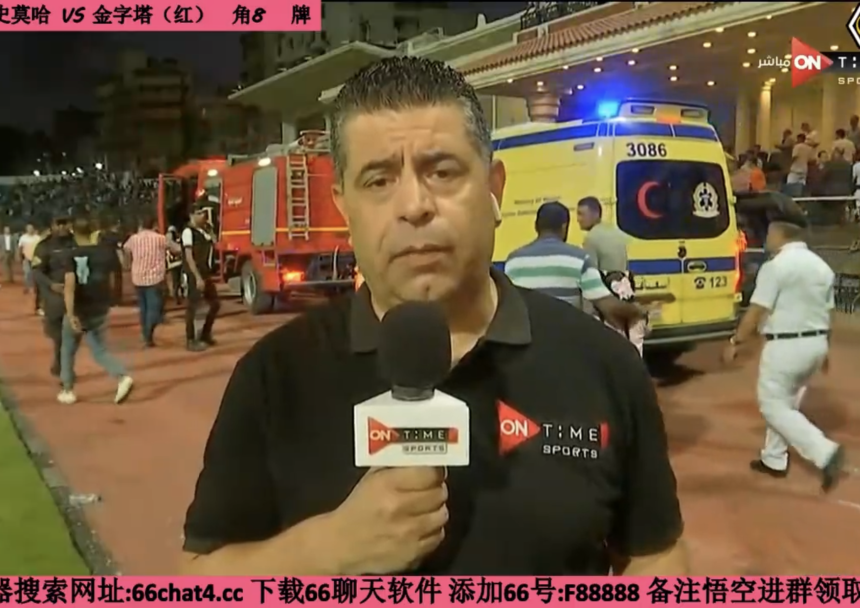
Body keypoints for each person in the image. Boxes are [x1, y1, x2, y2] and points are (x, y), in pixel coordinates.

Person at [181, 56, 687, 576]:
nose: (414, 205)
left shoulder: (604, 365)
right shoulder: (275, 376)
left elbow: (656, 555)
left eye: (442, 172)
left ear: (494, 188)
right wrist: (324, 550)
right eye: (379, 180)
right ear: (344, 205)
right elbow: (198, 575)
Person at [722, 208, 844, 492]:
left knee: (772, 405)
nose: (766, 238)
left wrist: (736, 341)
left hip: (786, 345)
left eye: (769, 233)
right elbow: (829, 311)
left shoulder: (776, 266)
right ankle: (774, 458)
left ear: (781, 235)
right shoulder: (822, 267)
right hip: (815, 343)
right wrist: (826, 347)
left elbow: (757, 310)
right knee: (786, 404)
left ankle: (825, 452)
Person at [506, 202, 651, 352]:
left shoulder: (513, 261)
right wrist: (637, 311)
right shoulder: (578, 258)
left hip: (528, 346)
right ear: (564, 227)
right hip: (565, 347)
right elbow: (608, 305)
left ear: (536, 226)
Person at [57, 218, 134, 405]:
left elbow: (70, 286)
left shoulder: (70, 254)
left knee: (67, 349)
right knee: (99, 350)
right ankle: (121, 375)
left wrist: (70, 313)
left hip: (80, 306)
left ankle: (68, 389)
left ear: (74, 232)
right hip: (99, 306)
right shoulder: (105, 253)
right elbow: (118, 271)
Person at [32, 217, 77, 382]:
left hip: (77, 295)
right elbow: (37, 272)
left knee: (73, 336)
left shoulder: (76, 242)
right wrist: (51, 285)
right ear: (52, 226)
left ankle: (63, 367)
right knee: (59, 337)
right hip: (55, 298)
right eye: (59, 223)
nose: (63, 227)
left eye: (66, 223)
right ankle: (62, 367)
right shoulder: (45, 246)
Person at [123, 215, 175, 347]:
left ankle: (146, 334)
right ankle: (148, 334)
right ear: (154, 225)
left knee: (144, 308)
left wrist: (128, 263)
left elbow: (126, 250)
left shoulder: (133, 239)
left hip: (138, 276)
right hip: (155, 278)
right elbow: (176, 248)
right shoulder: (160, 238)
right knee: (154, 308)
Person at [181, 208, 220, 351]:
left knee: (215, 304)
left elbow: (214, 244)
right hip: (194, 273)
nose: (203, 216)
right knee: (192, 306)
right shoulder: (188, 232)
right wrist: (197, 277)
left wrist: (210, 232)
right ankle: (190, 339)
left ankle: (205, 334)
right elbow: (189, 256)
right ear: (192, 215)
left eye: (204, 213)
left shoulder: (204, 231)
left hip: (205, 272)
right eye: (199, 213)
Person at [18, 224, 41, 296]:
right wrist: (20, 257)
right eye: (28, 228)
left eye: (31, 228)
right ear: (26, 229)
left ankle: (36, 287)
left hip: (36, 258)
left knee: (36, 273)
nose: (30, 230)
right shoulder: (23, 238)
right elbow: (20, 248)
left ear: (33, 229)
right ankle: (29, 287)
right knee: (27, 273)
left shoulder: (37, 238)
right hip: (26, 258)